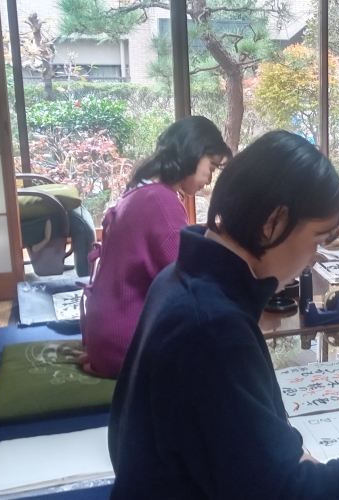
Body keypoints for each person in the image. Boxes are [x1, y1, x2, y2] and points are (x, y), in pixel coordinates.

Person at [109, 131, 339, 499]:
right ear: (273, 222)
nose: (314, 257)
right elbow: (291, 494)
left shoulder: (178, 281)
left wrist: (281, 452)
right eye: (316, 240)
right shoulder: (212, 327)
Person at [79, 116, 232, 378]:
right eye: (212, 167)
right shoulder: (162, 202)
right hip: (128, 342)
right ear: (194, 153)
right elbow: (187, 280)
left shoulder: (141, 191)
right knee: (223, 344)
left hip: (107, 331)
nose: (209, 179)